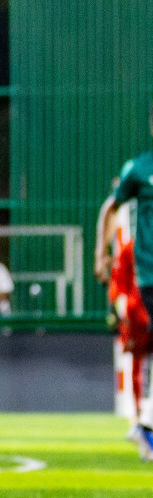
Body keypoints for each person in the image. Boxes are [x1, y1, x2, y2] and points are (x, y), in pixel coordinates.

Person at [96, 122, 153, 460]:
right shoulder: (139, 169)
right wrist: (99, 252)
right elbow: (110, 206)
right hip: (150, 280)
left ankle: (145, 423)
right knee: (137, 361)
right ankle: (142, 421)